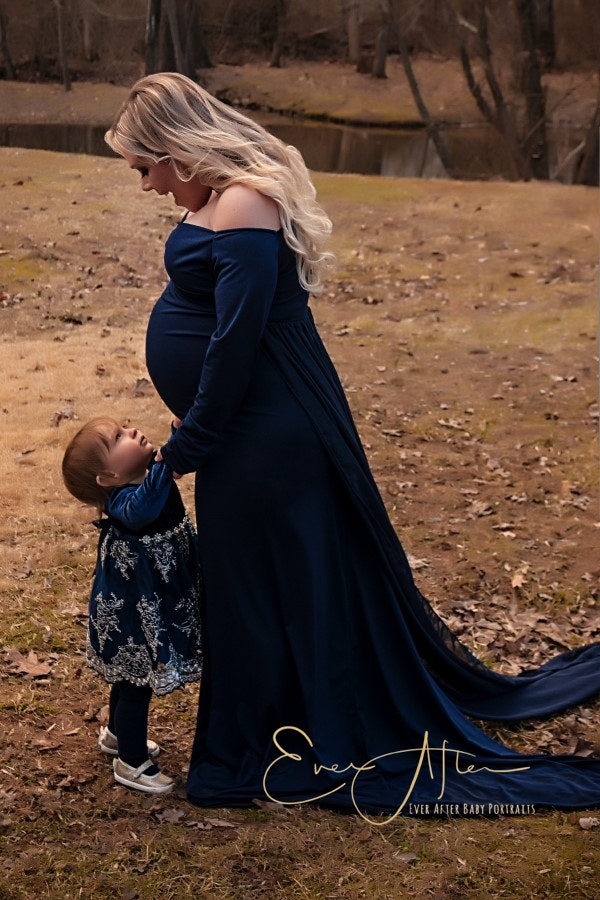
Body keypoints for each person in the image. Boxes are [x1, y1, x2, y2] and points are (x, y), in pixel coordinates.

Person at [104, 72, 600, 818]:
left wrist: (195, 440)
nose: (145, 186)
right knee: (256, 586)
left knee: (272, 584)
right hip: (246, 431)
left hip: (263, 434)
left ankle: (289, 744)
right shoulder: (217, 198)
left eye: (145, 169)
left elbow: (236, 344)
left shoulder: (242, 200)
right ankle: (278, 732)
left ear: (174, 149)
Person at [62, 415, 202, 795]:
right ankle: (132, 760)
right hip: (134, 612)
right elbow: (144, 508)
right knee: (135, 680)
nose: (131, 431)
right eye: (118, 438)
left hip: (149, 598)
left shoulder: (143, 482)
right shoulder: (126, 502)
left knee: (127, 678)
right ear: (108, 480)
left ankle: (117, 736)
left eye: (124, 426)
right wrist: (168, 459)